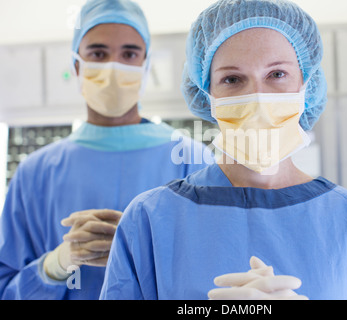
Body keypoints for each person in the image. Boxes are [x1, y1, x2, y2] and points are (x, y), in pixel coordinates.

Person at [100, 0, 347, 300]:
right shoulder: (149, 220)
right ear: (207, 96)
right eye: (232, 79)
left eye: (277, 74)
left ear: (307, 85)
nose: (258, 97)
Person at [0, 0, 209, 300]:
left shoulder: (193, 161)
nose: (113, 66)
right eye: (98, 53)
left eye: (129, 54)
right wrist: (55, 265)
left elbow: (213, 279)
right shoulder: (35, 173)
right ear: (76, 65)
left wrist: (144, 257)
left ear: (146, 64)